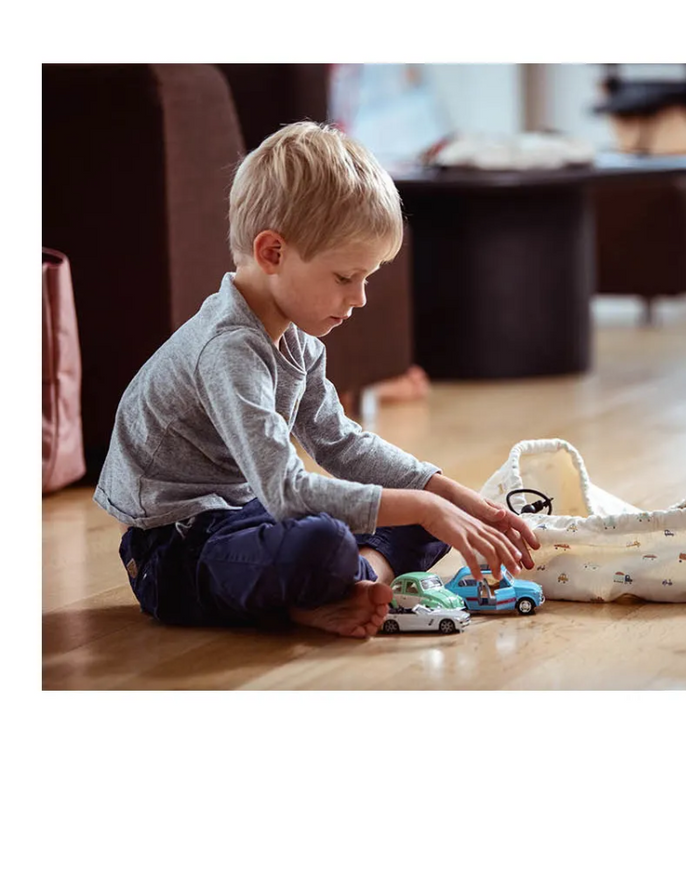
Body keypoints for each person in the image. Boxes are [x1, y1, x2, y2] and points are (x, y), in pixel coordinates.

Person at [94, 121, 539, 638]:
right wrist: (423, 505)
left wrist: (451, 496)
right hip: (175, 548)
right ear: (273, 253)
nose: (360, 298)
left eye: (366, 278)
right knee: (328, 540)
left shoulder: (298, 344)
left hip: (246, 513)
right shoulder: (229, 350)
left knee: (423, 515)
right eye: (345, 277)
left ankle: (349, 586)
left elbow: (340, 442)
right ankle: (331, 588)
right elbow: (286, 491)